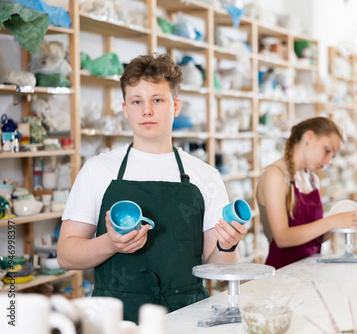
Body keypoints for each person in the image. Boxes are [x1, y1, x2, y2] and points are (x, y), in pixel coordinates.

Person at [57, 53, 246, 323]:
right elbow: (65, 255)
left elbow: (217, 269)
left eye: (157, 100)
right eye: (137, 101)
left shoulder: (205, 175)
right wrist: (111, 243)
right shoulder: (98, 170)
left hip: (187, 317)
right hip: (117, 319)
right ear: (125, 108)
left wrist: (228, 245)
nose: (147, 110)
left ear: (176, 106)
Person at [256, 117, 357, 270]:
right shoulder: (275, 175)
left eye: (332, 156)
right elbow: (282, 238)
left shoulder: (311, 179)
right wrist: (332, 221)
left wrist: (340, 222)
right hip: (282, 275)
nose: (328, 162)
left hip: (310, 271)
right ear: (310, 137)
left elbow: (314, 239)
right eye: (327, 151)